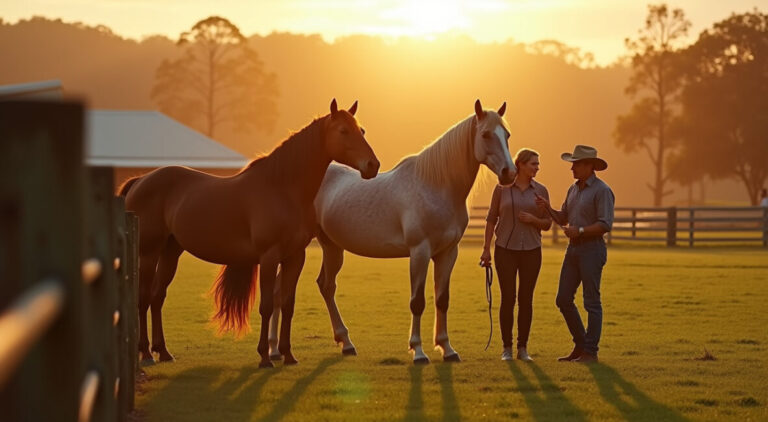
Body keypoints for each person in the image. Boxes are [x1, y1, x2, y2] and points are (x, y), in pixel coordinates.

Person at [535, 145, 614, 364]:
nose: (572, 168)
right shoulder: (573, 189)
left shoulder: (602, 191)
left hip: (592, 249)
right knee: (563, 299)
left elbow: (605, 224)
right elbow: (563, 218)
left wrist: (579, 230)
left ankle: (590, 352)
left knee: (591, 302)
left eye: (576, 164)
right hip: (574, 249)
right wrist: (547, 208)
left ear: (589, 166)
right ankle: (581, 345)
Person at [480, 148, 552, 362]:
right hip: (505, 249)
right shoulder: (501, 189)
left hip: (531, 250)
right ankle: (506, 348)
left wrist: (535, 219)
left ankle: (523, 348)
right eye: (533, 164)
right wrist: (486, 249)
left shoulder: (541, 191)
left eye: (538, 164)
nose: (537, 168)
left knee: (526, 299)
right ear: (520, 164)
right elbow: (491, 219)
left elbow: (548, 224)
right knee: (508, 298)